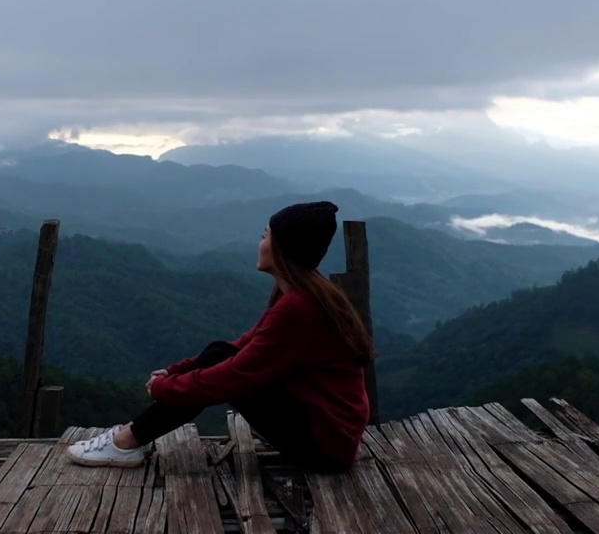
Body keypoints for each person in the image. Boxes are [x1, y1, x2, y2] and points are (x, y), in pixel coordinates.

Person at [66, 201, 373, 472]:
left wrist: (165, 388)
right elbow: (246, 344)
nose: (260, 242)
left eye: (265, 236)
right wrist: (176, 372)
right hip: (329, 435)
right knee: (218, 351)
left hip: (324, 448)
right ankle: (130, 438)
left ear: (282, 248)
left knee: (221, 364)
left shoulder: (299, 307)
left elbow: (235, 376)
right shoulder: (302, 294)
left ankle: (126, 441)